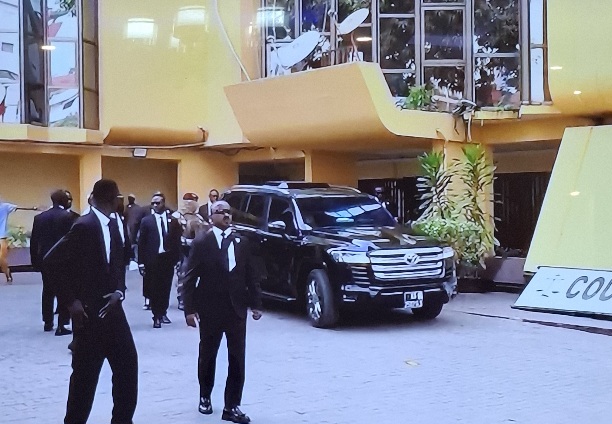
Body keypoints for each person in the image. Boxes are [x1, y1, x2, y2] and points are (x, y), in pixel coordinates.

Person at [43, 179, 138, 424]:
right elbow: (50, 262)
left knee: (128, 370)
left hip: (114, 313)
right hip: (89, 316)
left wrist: (119, 291)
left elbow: (118, 264)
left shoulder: (114, 224)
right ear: (113, 200)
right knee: (84, 382)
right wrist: (71, 302)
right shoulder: (84, 226)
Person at [181, 200, 263, 424]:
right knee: (208, 355)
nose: (226, 215)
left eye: (229, 212)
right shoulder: (202, 242)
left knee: (237, 358)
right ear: (212, 216)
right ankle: (205, 396)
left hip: (236, 309)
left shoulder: (241, 242)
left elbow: (251, 275)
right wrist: (189, 309)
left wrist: (256, 304)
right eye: (221, 212)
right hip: (210, 309)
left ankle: (232, 405)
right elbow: (189, 277)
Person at [30, 190, 74, 335]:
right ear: (63, 200)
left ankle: (47, 322)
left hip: (45, 259)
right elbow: (71, 240)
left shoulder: (39, 218)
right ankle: (62, 324)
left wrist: (35, 262)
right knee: (64, 291)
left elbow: (34, 242)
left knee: (47, 290)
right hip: (63, 260)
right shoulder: (68, 217)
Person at [138, 192, 182, 328]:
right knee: (154, 288)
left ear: (164, 203)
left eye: (158, 203)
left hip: (167, 259)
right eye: (153, 203)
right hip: (153, 259)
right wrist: (141, 262)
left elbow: (177, 241)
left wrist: (178, 258)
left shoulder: (172, 221)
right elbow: (141, 243)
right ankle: (156, 315)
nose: (155, 205)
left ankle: (163, 312)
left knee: (165, 287)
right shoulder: (147, 221)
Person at [172, 192, 209, 310]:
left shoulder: (198, 217)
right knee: (183, 274)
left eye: (193, 202)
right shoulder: (176, 217)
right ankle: (182, 299)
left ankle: (192, 298)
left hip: (197, 251)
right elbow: (173, 235)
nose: (191, 204)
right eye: (189, 201)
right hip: (183, 250)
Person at [0, 196, 36, 283]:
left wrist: (33, 208)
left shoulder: (4, 206)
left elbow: (20, 207)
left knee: (1, 258)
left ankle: (7, 273)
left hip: (2, 236)